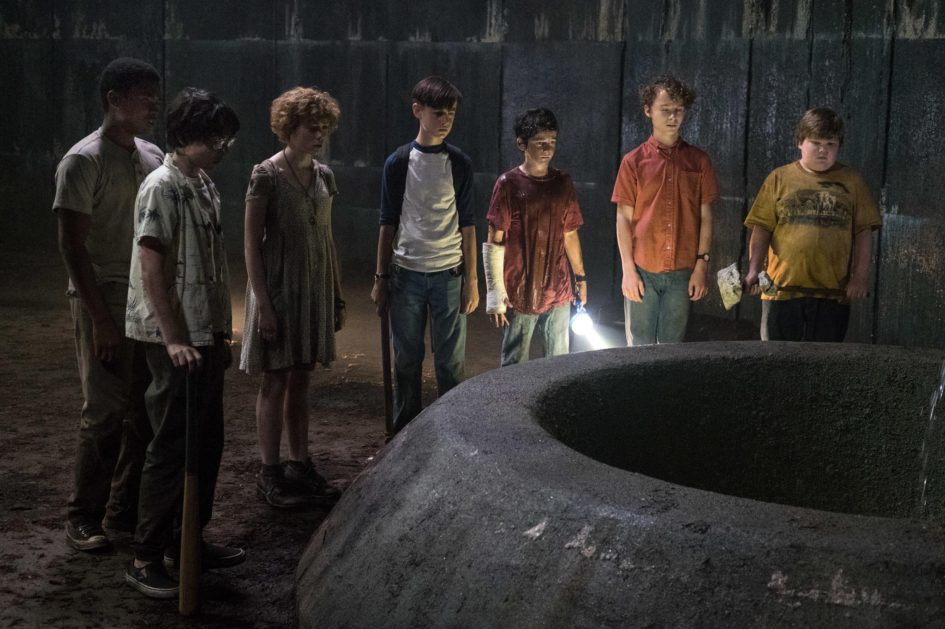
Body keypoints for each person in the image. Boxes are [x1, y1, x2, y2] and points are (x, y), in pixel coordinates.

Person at [124, 87, 244, 598]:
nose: (222, 148)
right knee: (172, 445)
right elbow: (152, 267)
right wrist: (174, 339)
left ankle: (187, 540)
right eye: (216, 138)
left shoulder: (205, 186)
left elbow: (212, 268)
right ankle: (145, 554)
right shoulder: (162, 187)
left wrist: (220, 330)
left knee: (207, 442)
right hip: (174, 338)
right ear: (188, 136)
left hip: (206, 334)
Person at [54, 57, 163, 552]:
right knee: (103, 408)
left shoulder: (152, 157)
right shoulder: (84, 161)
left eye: (154, 96)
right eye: (143, 95)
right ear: (113, 100)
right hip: (104, 294)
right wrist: (100, 321)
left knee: (142, 407)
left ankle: (121, 511)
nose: (153, 105)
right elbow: (72, 247)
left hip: (143, 294)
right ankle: (83, 514)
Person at [240, 87, 345, 508]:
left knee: (301, 378)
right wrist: (265, 304)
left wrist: (335, 295)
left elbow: (327, 237)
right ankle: (269, 472)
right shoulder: (265, 175)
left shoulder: (324, 176)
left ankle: (299, 464)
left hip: (313, 287)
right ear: (289, 129)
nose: (318, 136)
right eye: (310, 129)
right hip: (280, 288)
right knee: (276, 379)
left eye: (323, 129)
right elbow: (250, 243)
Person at [370, 76, 479, 434]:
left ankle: (452, 434)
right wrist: (381, 277)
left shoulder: (459, 163)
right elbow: (387, 222)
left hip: (449, 273)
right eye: (438, 113)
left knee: (451, 364)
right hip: (407, 274)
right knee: (407, 360)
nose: (446, 120)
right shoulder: (398, 163)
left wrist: (472, 281)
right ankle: (407, 434)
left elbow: (468, 224)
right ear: (418, 111)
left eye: (451, 113)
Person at [743, 107, 882, 341]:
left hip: (832, 294)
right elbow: (762, 228)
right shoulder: (779, 178)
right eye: (815, 142)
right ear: (799, 142)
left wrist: (859, 277)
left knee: (824, 366)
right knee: (776, 362)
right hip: (779, 290)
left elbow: (863, 233)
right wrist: (753, 270)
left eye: (830, 144)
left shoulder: (853, 182)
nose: (823, 150)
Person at [612, 75, 719, 346]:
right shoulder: (633, 161)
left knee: (672, 349)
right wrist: (627, 269)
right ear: (648, 110)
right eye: (665, 109)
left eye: (679, 110)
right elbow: (623, 217)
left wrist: (701, 265)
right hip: (643, 268)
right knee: (639, 347)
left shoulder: (699, 161)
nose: (673, 116)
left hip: (683, 270)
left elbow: (706, 216)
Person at [483, 108, 587, 365]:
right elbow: (495, 240)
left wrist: (581, 277)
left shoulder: (563, 183)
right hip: (521, 289)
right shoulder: (509, 184)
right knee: (514, 366)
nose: (547, 148)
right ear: (521, 143)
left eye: (552, 141)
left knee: (558, 365)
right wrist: (495, 292)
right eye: (540, 142)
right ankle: (511, 405)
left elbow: (570, 232)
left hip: (559, 289)